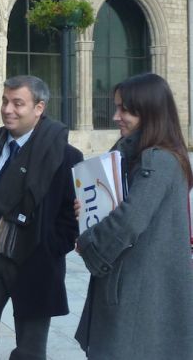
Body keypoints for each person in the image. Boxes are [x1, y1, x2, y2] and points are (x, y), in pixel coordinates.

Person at [0, 75, 83, 360]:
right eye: (5, 101)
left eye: (18, 103)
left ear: (39, 108)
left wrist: (49, 247)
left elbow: (70, 220)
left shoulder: (65, 156)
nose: (8, 109)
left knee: (30, 350)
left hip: (34, 262)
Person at [74, 73, 193, 359]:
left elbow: (129, 220)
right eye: (116, 107)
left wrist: (89, 240)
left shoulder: (159, 160)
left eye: (124, 109)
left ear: (149, 111)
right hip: (133, 285)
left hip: (141, 291)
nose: (116, 116)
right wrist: (88, 211)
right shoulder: (136, 154)